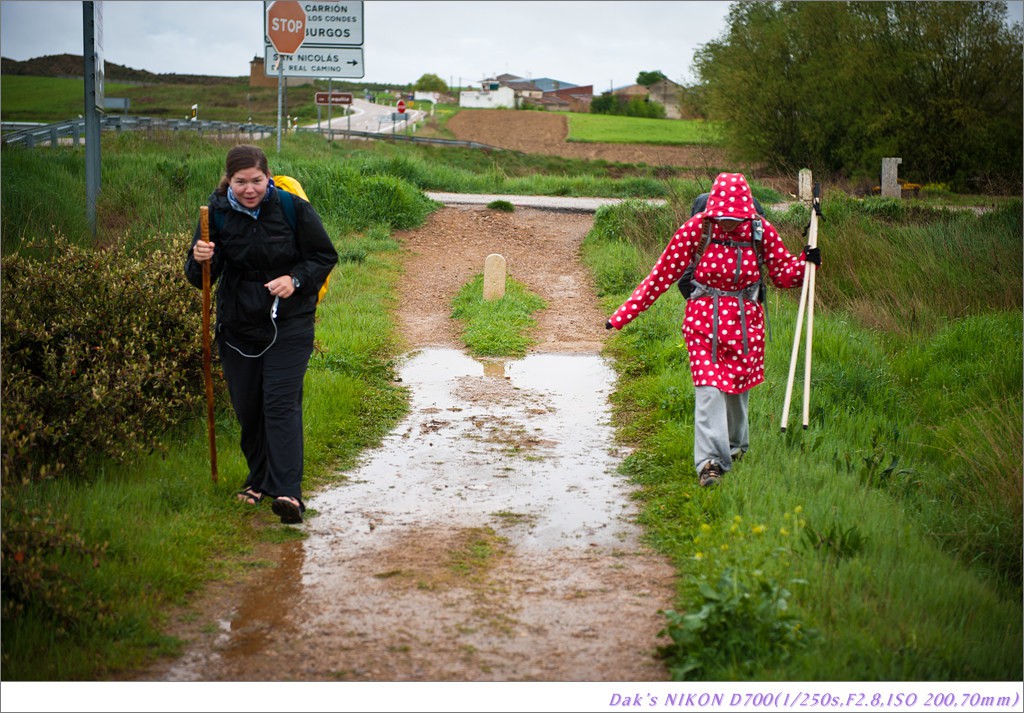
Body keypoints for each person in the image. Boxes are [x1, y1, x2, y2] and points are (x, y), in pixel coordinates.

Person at [605, 172, 820, 488]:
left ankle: (735, 448)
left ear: (747, 211)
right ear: (714, 210)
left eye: (736, 218)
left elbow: (783, 275)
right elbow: (660, 275)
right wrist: (623, 315)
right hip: (703, 322)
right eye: (724, 218)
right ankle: (710, 464)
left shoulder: (760, 231)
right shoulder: (698, 229)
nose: (730, 224)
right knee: (709, 390)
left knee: (736, 392)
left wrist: (806, 262)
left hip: (746, 325)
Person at [185, 145, 338, 522]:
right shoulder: (215, 214)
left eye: (256, 180)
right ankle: (258, 480)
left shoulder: (291, 208)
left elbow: (323, 256)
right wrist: (200, 258)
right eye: (240, 182)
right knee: (249, 407)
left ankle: (288, 493)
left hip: (290, 321)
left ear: (268, 177)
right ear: (228, 181)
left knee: (279, 404)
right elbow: (198, 278)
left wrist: (295, 279)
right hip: (238, 324)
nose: (249, 189)